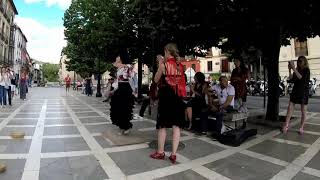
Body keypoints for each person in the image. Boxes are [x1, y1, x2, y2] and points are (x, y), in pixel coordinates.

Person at [150, 43, 186, 164]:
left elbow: (155, 80)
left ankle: (160, 152)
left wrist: (160, 63)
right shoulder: (181, 66)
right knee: (176, 127)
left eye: (164, 52)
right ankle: (174, 154)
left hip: (166, 98)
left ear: (167, 51)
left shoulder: (164, 65)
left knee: (162, 126)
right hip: (178, 98)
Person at [282, 56, 310, 135]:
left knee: (303, 111)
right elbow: (291, 80)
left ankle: (301, 127)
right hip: (295, 92)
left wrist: (294, 68)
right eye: (298, 61)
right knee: (289, 109)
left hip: (304, 93)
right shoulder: (296, 70)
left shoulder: (306, 70)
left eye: (301, 61)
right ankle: (286, 125)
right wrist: (290, 69)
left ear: (304, 62)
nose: (299, 62)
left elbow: (301, 78)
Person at [110, 53, 135, 135]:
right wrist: (114, 90)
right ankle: (122, 126)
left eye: (118, 58)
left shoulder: (127, 66)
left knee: (125, 108)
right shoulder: (120, 68)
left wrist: (125, 67)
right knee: (118, 108)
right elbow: (118, 81)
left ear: (121, 59)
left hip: (125, 88)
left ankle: (126, 127)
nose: (116, 58)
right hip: (120, 88)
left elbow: (129, 76)